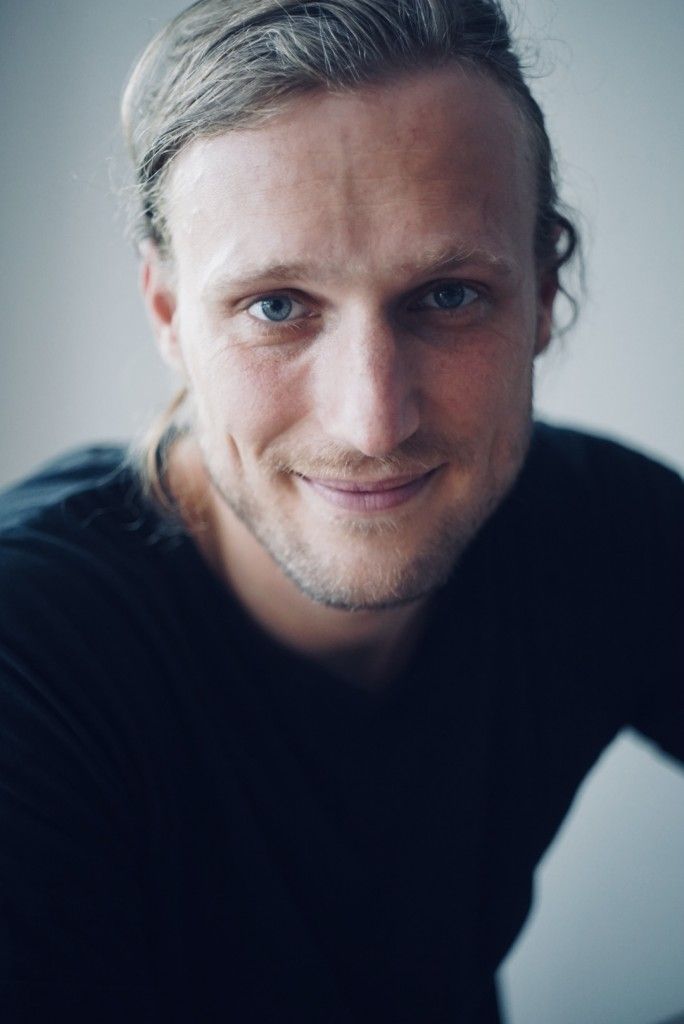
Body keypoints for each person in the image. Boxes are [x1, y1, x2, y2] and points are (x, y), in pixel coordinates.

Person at [0, 1, 681, 1021]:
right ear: (169, 313)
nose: (372, 421)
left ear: (544, 294)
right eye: (276, 306)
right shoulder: (29, 670)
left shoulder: (605, 533)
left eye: (447, 295)